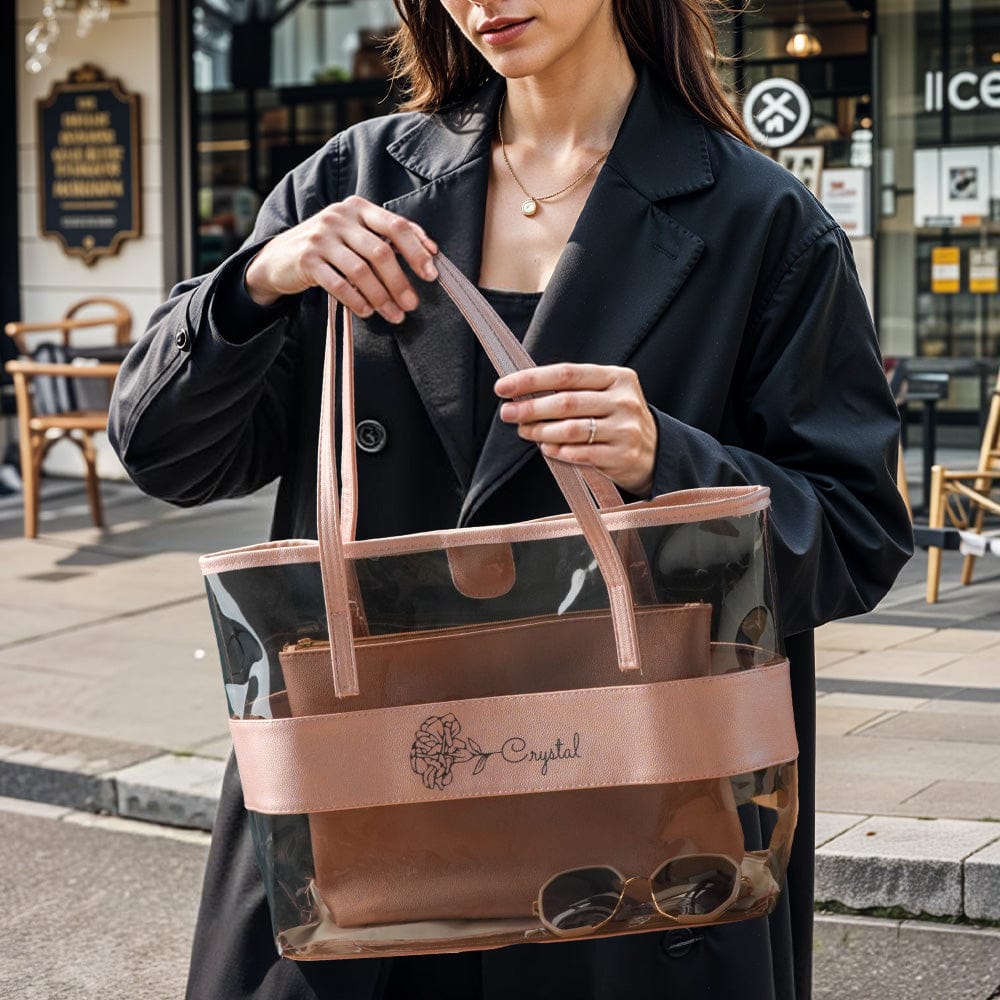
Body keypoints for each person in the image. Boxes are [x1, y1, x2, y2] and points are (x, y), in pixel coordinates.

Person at [108, 1, 912, 998]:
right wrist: (254, 284)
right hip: (364, 824)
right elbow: (166, 455)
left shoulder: (758, 220)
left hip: (628, 844)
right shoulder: (353, 186)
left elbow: (857, 533)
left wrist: (670, 458)